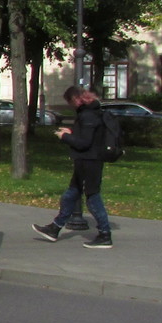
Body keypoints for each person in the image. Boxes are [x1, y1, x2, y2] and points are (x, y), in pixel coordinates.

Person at [32, 86, 113, 249]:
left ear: (76, 99)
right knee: (71, 194)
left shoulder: (88, 115)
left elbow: (84, 143)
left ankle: (105, 234)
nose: (70, 105)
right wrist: (71, 132)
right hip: (86, 161)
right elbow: (86, 136)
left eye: (70, 102)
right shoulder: (90, 113)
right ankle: (55, 228)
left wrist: (66, 137)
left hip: (89, 161)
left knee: (93, 197)